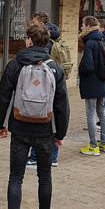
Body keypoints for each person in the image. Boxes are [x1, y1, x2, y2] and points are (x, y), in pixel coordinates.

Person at [0, 24, 69, 209]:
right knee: (44, 177)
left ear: (28, 41)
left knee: (15, 177)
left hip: (20, 128)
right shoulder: (55, 68)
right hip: (45, 130)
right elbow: (62, 105)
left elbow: (3, 96)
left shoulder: (16, 64)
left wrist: (1, 124)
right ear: (46, 42)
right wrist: (60, 133)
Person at [26, 12, 62, 167]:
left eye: (34, 21)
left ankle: (37, 157)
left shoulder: (42, 39)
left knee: (41, 120)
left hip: (42, 85)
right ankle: (52, 156)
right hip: (52, 82)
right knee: (51, 118)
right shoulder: (52, 36)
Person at [78, 16, 105, 156]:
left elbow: (88, 65)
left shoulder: (90, 43)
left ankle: (93, 146)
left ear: (88, 26)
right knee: (102, 112)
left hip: (92, 84)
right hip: (103, 83)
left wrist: (81, 70)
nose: (81, 27)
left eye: (82, 24)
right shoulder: (102, 41)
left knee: (91, 114)